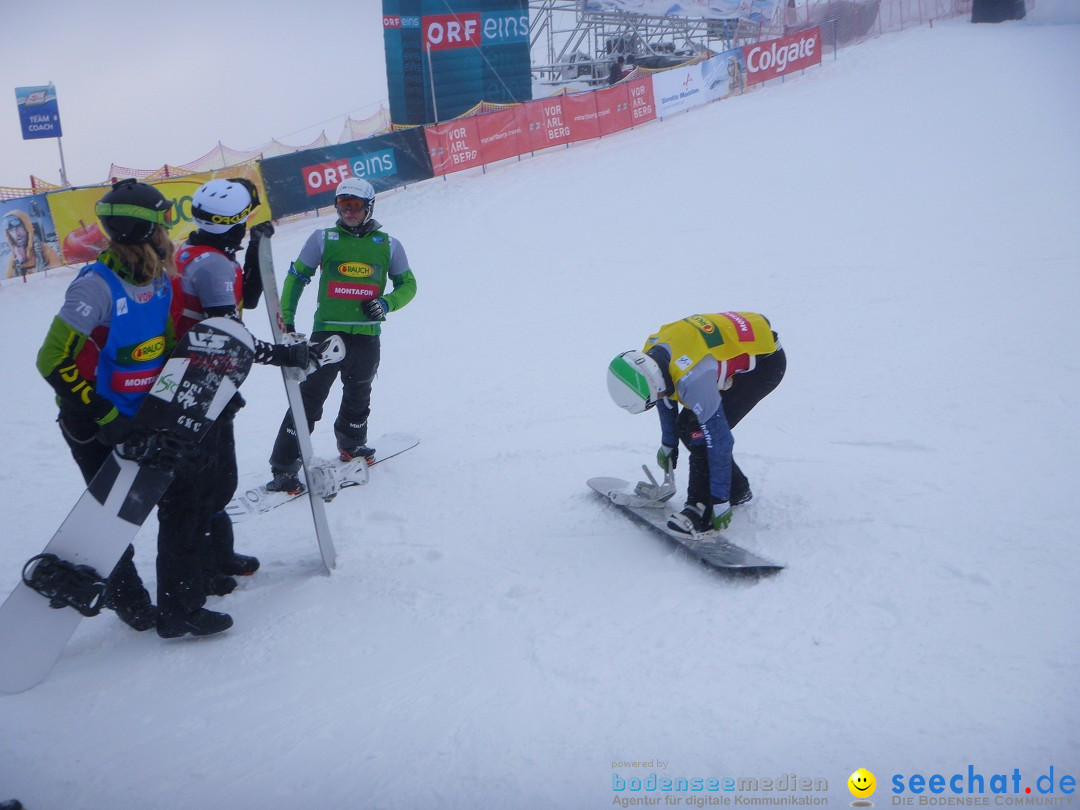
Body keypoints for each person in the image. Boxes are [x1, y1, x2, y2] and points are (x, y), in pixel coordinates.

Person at [36, 179, 250, 638]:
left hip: (148, 414)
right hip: (92, 421)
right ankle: (127, 597)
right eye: (163, 225)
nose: (169, 233)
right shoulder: (96, 285)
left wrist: (201, 392)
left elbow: (171, 344)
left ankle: (181, 608)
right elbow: (51, 360)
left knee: (185, 503)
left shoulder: (163, 277)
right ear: (147, 229)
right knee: (112, 517)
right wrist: (108, 419)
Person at [172, 177, 314, 595]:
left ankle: (219, 555)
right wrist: (282, 355)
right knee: (206, 483)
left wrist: (255, 248)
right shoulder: (212, 263)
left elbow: (244, 299)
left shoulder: (196, 250)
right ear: (231, 223)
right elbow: (227, 334)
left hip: (205, 378)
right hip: (200, 381)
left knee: (219, 480)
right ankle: (203, 568)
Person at [266, 177, 417, 493]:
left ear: (368, 206)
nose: (348, 212)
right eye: (342, 205)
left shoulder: (389, 245)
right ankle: (283, 467)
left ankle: (352, 444)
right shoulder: (323, 239)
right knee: (309, 400)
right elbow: (296, 279)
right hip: (327, 336)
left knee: (359, 394)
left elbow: (408, 285)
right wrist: (289, 324)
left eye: (355, 205)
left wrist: (386, 302)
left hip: (366, 337)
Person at [606, 312, 786, 536]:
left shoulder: (694, 378)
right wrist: (668, 443)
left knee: (698, 432)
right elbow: (664, 395)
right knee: (687, 428)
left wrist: (719, 501)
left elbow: (719, 438)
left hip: (764, 364)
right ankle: (737, 489)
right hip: (722, 351)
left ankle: (701, 508)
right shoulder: (649, 357)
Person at [5, 209, 62, 278]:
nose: (16, 234)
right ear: (8, 234)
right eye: (11, 230)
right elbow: (8, 281)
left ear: (26, 228)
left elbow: (60, 274)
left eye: (18, 227)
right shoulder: (14, 258)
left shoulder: (44, 250)